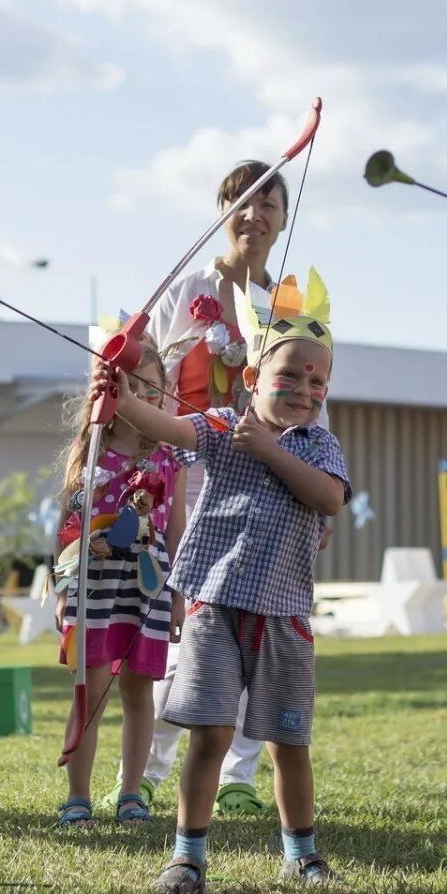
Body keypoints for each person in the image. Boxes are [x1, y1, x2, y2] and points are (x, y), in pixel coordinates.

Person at [105, 270, 349, 894]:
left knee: (287, 740)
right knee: (211, 734)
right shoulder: (220, 426)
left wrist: (270, 449)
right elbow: (171, 430)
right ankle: (187, 855)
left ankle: (302, 853)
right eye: (288, 376)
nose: (303, 390)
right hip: (215, 609)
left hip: (284, 616)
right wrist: (123, 401)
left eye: (316, 380)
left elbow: (329, 499)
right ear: (251, 379)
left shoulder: (319, 446)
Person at [111, 159, 300, 818]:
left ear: (283, 217)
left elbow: (310, 402)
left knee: (253, 621)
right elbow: (146, 374)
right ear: (224, 211)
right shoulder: (186, 287)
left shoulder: (288, 303)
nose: (255, 217)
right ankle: (153, 765)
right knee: (180, 621)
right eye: (241, 203)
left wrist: (316, 484)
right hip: (178, 475)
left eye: (268, 205)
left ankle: (240, 775)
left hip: (261, 479)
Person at [52, 351, 188, 828]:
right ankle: (78, 797)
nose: (139, 396)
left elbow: (177, 532)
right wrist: (62, 589)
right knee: (90, 693)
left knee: (139, 694)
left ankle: (132, 793)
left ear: (163, 391)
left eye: (150, 387)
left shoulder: (170, 456)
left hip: (145, 587)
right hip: (94, 586)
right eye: (127, 386)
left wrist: (176, 595)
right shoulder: (89, 451)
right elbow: (67, 528)